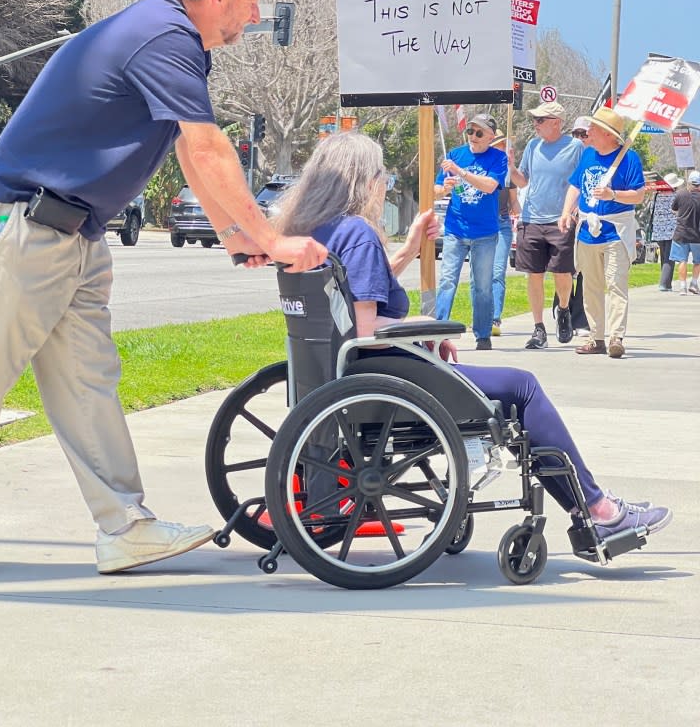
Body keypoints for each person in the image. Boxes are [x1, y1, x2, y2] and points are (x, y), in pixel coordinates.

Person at [0, 0, 328, 580]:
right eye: (252, 3)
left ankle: (124, 527)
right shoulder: (165, 38)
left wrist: (236, 234)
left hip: (73, 229)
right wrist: (271, 236)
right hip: (28, 218)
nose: (256, 17)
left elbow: (182, 145)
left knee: (89, 381)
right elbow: (206, 148)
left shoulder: (175, 39)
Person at [274, 132, 671, 551]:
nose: (384, 183)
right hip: (386, 376)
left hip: (332, 374)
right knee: (522, 387)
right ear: (363, 181)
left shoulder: (310, 231)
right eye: (381, 176)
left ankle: (593, 506)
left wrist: (409, 252)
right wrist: (427, 328)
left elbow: (351, 298)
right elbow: (366, 331)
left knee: (508, 384)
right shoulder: (358, 232)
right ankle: (597, 510)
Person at [559, 106, 645, 358]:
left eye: (594, 128)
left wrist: (614, 195)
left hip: (614, 231)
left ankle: (616, 337)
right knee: (591, 286)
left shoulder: (629, 159)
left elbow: (639, 195)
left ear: (609, 134)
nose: (589, 132)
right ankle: (596, 338)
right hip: (587, 231)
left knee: (616, 285)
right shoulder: (588, 155)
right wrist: (566, 212)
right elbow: (575, 186)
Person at [509, 101, 584, 350]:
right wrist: (509, 167)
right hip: (532, 219)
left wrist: (573, 212)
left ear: (556, 122)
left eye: (540, 120)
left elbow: (582, 183)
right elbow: (522, 181)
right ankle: (538, 328)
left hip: (560, 220)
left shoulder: (575, 148)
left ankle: (563, 309)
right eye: (535, 120)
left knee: (562, 273)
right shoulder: (532, 145)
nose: (535, 124)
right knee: (535, 275)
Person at [434, 114, 507, 350]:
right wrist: (443, 188)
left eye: (479, 133)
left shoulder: (498, 158)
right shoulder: (454, 155)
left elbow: (490, 186)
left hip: (485, 232)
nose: (473, 137)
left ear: (490, 137)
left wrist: (461, 173)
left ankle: (482, 334)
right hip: (455, 229)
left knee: (483, 286)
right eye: (470, 132)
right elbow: (435, 189)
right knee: (447, 280)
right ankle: (438, 332)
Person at [485, 130, 520, 337]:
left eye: (504, 145)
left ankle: (495, 318)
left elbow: (513, 200)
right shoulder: (482, 167)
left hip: (503, 223)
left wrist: (519, 209)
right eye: (499, 144)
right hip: (482, 224)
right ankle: (482, 315)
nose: (503, 148)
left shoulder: (508, 173)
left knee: (498, 271)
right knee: (481, 275)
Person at [670, 170, 700, 295]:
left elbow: (674, 209)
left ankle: (682, 287)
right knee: (697, 261)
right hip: (697, 235)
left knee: (682, 260)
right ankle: (694, 284)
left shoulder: (680, 194)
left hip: (680, 233)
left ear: (689, 182)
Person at [652, 174, 681, 292]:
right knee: (670, 257)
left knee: (664, 256)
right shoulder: (676, 196)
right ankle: (664, 283)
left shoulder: (657, 196)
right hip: (671, 230)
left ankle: (667, 283)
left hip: (658, 230)